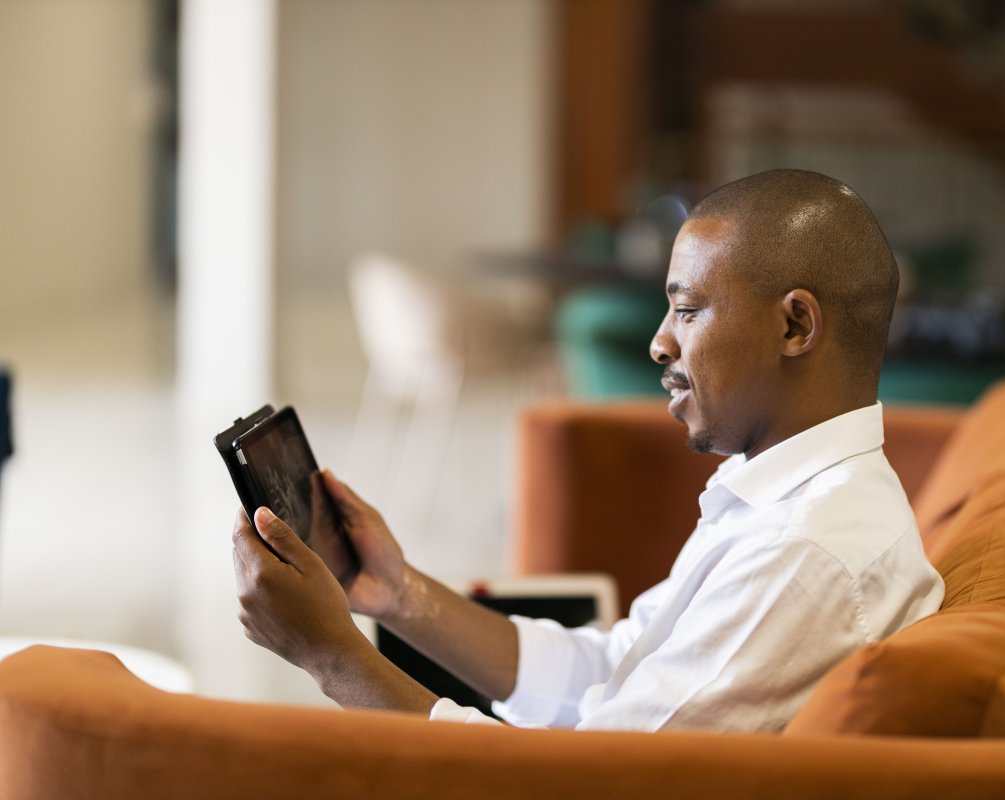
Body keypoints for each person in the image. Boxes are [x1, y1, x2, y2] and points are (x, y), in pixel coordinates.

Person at [232, 169, 945, 733]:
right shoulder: (780, 495)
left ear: (795, 325)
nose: (659, 342)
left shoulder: (807, 552)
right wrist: (398, 595)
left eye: (689, 309)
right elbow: (610, 671)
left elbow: (579, 786)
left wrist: (333, 658)